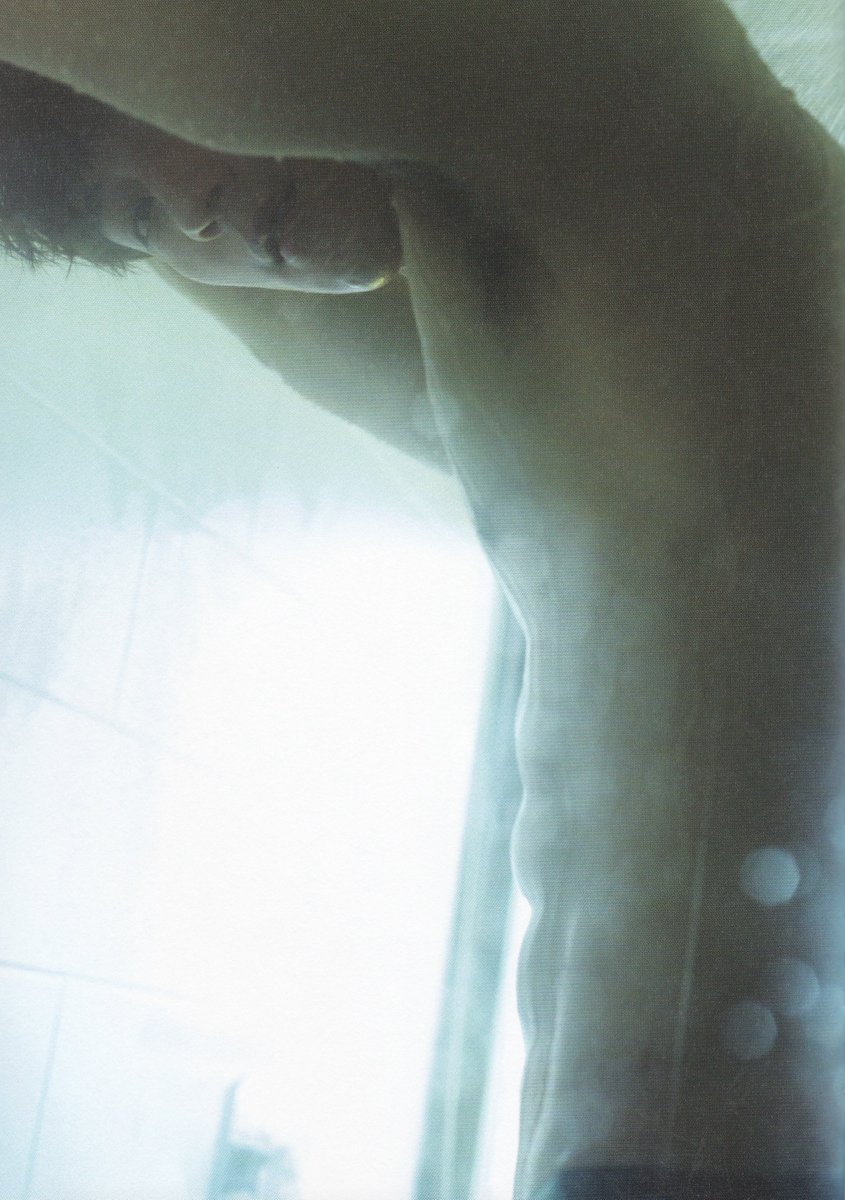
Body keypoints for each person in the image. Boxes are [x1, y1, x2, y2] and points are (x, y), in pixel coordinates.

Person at [0, 3, 843, 1197]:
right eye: (136, 215)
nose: (188, 212)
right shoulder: (541, 353)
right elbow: (235, 243)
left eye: (153, 111)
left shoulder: (646, 130)